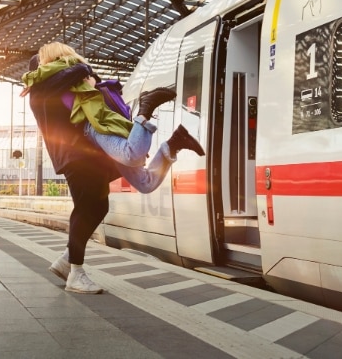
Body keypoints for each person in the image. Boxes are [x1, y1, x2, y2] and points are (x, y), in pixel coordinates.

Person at [21, 43, 204, 294]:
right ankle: (75, 272)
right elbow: (74, 74)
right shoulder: (42, 90)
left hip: (89, 154)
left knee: (126, 192)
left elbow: (84, 82)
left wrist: (84, 72)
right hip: (75, 156)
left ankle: (67, 262)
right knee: (88, 208)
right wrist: (81, 66)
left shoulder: (61, 83)